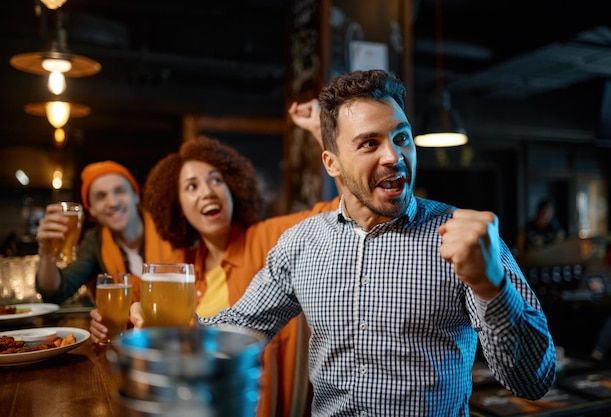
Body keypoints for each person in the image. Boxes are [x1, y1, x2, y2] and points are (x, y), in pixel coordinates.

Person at [130, 70, 557, 415]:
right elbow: (240, 330)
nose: (393, 155)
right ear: (331, 162)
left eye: (402, 137)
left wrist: (491, 286)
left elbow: (533, 382)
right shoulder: (300, 243)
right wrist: (175, 332)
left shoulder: (466, 238)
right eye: (369, 143)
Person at [91, 136, 340, 417]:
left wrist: (326, 136)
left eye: (216, 180)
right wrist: (111, 318)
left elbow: (340, 209)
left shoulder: (269, 237)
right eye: (192, 186)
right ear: (178, 206)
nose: (208, 191)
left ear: (233, 188)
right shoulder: (181, 265)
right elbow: (133, 300)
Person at [35, 161, 180, 305]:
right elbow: (56, 292)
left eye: (120, 191)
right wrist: (46, 252)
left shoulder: (170, 228)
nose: (113, 203)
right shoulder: (95, 242)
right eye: (101, 196)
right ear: (91, 209)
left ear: (136, 195)